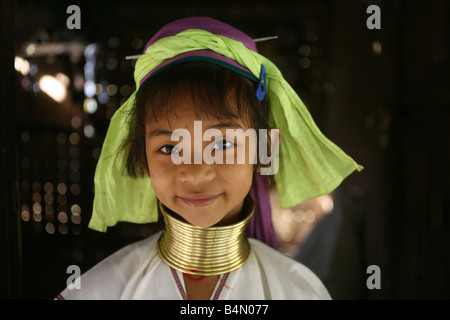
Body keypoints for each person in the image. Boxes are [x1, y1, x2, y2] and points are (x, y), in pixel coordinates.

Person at [56, 16, 362, 300]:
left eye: (223, 144)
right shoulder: (102, 290)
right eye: (171, 149)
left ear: (263, 149)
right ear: (142, 156)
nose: (196, 173)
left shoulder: (299, 292)